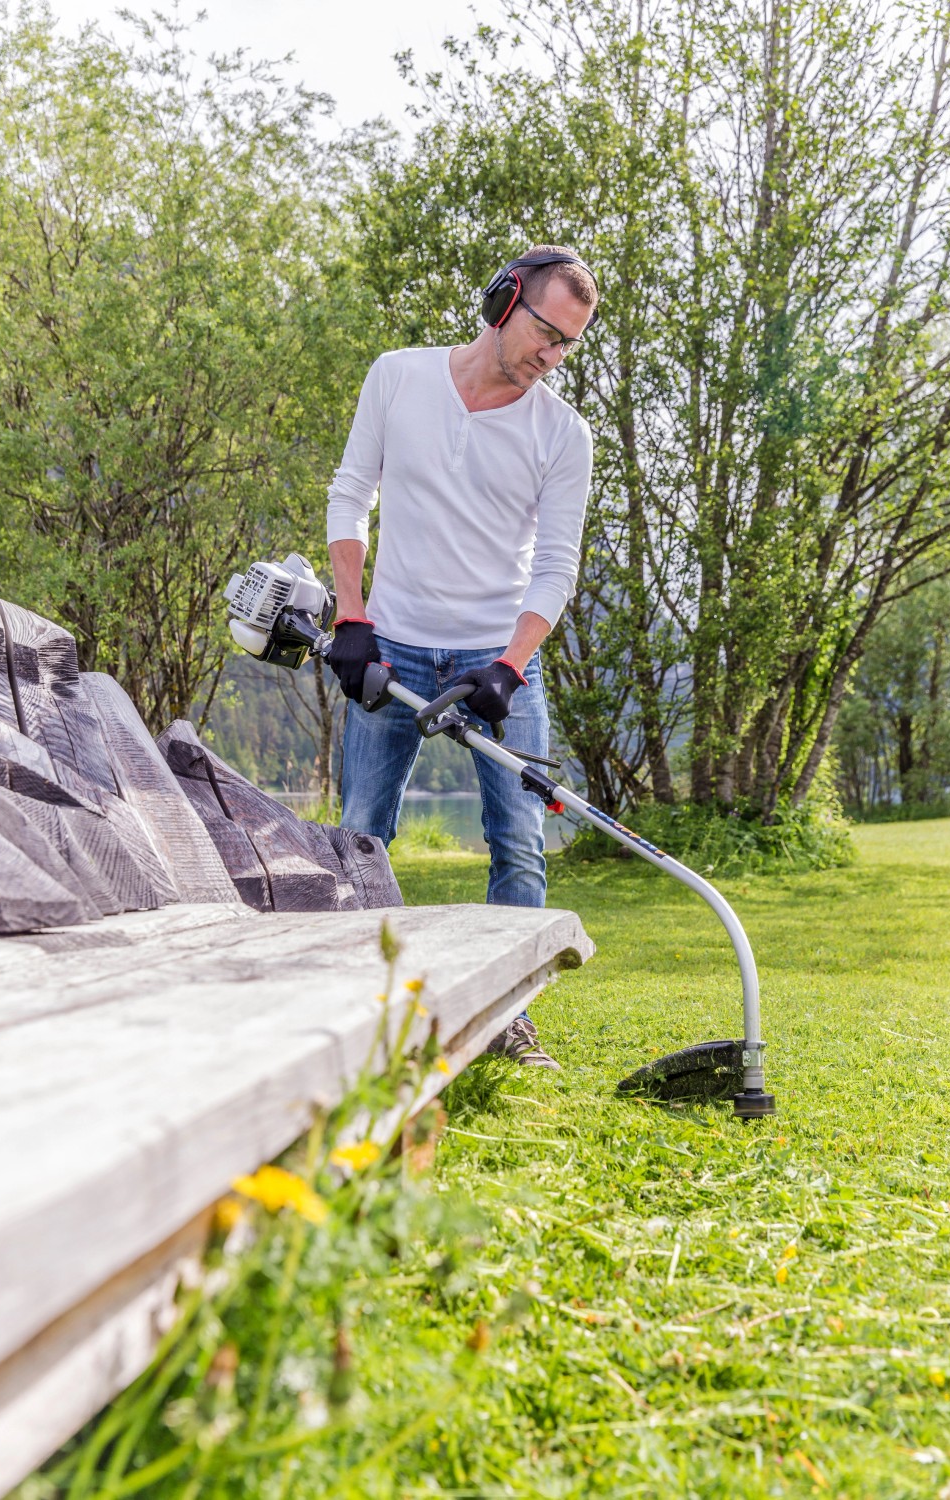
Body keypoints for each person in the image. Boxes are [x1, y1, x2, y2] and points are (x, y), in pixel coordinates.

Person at [324, 245, 599, 1070]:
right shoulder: (398, 376)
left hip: (497, 659)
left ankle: (508, 1018)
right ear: (502, 299)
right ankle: (343, 1006)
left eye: (567, 346)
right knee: (359, 834)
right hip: (392, 646)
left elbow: (555, 565)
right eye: (545, 333)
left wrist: (511, 667)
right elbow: (351, 491)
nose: (551, 357)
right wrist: (350, 618)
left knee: (517, 841)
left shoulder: (563, 433)